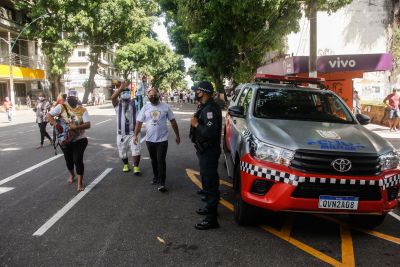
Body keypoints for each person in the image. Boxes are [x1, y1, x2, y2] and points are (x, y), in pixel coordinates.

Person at [133, 88, 181, 192]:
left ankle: (162, 182)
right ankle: (156, 177)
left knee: (161, 160)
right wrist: (135, 135)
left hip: (162, 140)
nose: (153, 97)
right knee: (154, 160)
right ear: (148, 97)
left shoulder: (166, 107)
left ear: (159, 95)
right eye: (151, 96)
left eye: (155, 95)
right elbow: (139, 122)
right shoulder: (145, 108)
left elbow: (173, 121)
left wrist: (177, 135)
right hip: (150, 140)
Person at [190, 81, 222, 230]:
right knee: (207, 181)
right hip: (205, 151)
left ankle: (212, 219)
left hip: (209, 152)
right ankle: (210, 208)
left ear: (203, 92)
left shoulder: (210, 109)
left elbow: (209, 132)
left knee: (210, 184)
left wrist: (196, 124)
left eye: (197, 91)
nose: (195, 93)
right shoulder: (205, 106)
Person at [47, 90, 91, 192]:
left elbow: (88, 124)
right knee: (69, 161)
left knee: (77, 159)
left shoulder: (82, 110)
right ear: (67, 99)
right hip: (65, 139)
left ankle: (80, 183)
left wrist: (76, 126)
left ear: (77, 99)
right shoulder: (61, 107)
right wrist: (56, 124)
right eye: (69, 98)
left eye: (74, 98)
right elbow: (49, 115)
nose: (71, 100)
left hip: (80, 139)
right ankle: (72, 174)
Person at [111, 81, 141, 174]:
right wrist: (120, 88)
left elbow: (141, 100)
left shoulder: (135, 103)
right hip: (121, 133)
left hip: (134, 132)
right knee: (122, 152)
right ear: (120, 94)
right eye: (124, 92)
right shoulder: (117, 104)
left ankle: (136, 167)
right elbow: (113, 98)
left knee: (136, 150)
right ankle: (126, 164)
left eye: (127, 92)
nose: (125, 93)